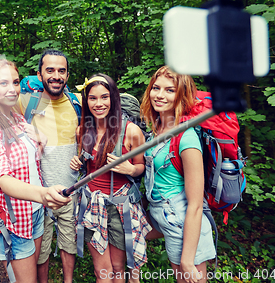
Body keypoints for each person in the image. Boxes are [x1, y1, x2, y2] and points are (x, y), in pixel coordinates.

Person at [0, 59, 71, 283]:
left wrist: (40, 139)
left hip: (36, 213)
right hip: (13, 219)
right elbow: (3, 179)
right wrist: (43, 193)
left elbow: (29, 163)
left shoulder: (18, 118)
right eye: (3, 83)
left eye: (16, 82)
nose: (12, 89)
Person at [69, 73, 151, 283]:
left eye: (104, 97)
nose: (99, 103)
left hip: (120, 206)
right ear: (86, 101)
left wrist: (129, 169)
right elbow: (87, 166)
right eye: (93, 98)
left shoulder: (131, 132)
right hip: (93, 205)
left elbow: (141, 167)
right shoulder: (83, 130)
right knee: (102, 271)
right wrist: (77, 164)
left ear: (113, 98)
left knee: (117, 267)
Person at [140, 66, 216, 283]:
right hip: (162, 216)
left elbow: (195, 204)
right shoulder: (157, 130)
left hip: (184, 224)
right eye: (156, 88)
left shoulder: (187, 138)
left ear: (181, 95)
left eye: (169, 90)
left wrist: (188, 260)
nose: (160, 95)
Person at [17, 49, 79, 283]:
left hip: (69, 189)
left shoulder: (77, 103)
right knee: (39, 247)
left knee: (68, 242)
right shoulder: (25, 102)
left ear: (68, 75)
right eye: (50, 70)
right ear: (39, 74)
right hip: (36, 193)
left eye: (61, 71)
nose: (56, 75)